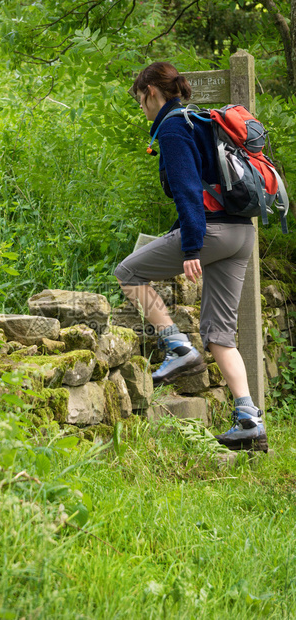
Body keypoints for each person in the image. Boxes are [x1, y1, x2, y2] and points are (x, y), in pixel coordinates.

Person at [114, 61, 268, 452]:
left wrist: (190, 246)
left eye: (141, 101)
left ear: (150, 91)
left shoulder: (172, 125)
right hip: (241, 234)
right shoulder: (200, 119)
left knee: (128, 271)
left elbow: (186, 190)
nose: (143, 110)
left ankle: (177, 346)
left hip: (211, 233)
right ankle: (249, 420)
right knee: (219, 334)